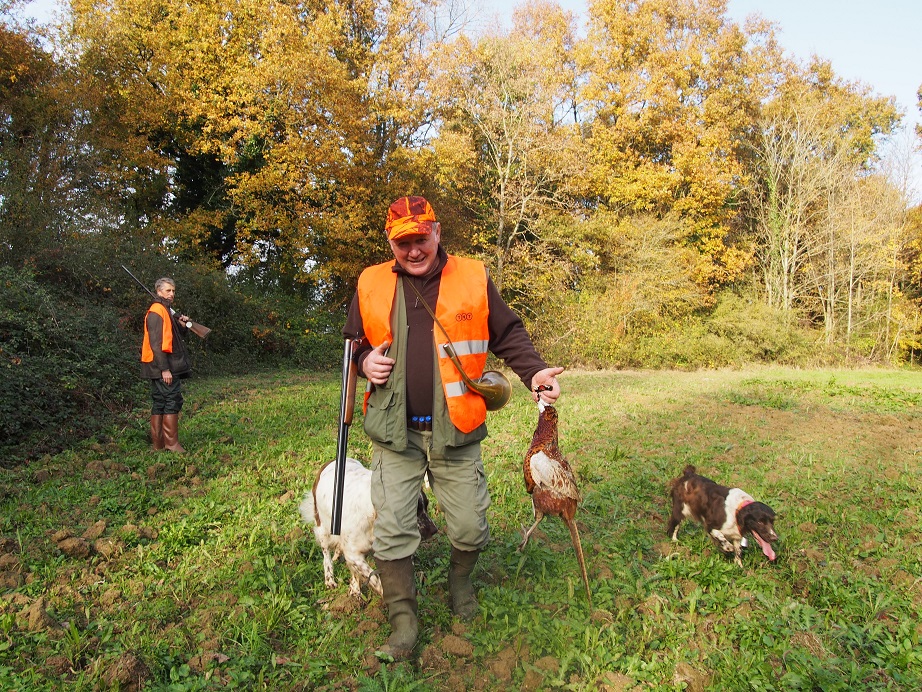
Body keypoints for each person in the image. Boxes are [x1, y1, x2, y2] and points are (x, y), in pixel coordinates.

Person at [344, 195, 563, 660]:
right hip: (395, 431)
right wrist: (364, 360)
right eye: (403, 243)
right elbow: (353, 342)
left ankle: (459, 584)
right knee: (393, 531)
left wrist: (535, 372)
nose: (414, 251)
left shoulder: (472, 276)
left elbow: (508, 334)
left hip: (455, 429)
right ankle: (403, 619)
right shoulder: (370, 281)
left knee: (469, 527)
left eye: (421, 239)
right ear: (391, 241)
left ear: (437, 232)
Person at [140, 277, 192, 453]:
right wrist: (164, 369)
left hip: (161, 366)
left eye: (173, 291)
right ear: (158, 291)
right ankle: (171, 444)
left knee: (160, 402)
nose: (172, 294)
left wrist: (183, 325)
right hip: (163, 367)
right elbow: (156, 343)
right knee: (171, 400)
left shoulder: (166, 311)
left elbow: (175, 337)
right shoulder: (157, 311)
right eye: (168, 291)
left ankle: (159, 445)